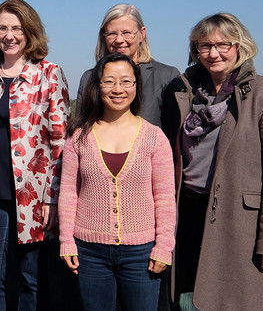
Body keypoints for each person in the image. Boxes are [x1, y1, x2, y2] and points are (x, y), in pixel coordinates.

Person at [164, 13, 263, 311]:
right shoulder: (187, 95)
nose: (213, 53)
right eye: (204, 46)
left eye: (223, 44)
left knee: (241, 302)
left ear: (240, 46)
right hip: (189, 213)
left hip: (241, 223)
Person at [0, 0, 70, 310]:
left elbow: (60, 141)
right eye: (2, 28)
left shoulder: (49, 74)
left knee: (28, 280)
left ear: (29, 32)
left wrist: (53, 197)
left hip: (33, 197)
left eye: (17, 28)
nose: (9, 35)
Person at [58, 53, 176, 311]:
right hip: (89, 253)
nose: (118, 89)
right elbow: (68, 192)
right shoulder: (79, 137)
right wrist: (66, 240)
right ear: (97, 86)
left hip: (141, 253)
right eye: (109, 81)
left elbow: (165, 196)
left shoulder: (154, 138)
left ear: (136, 85)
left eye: (126, 81)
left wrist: (164, 246)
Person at [78, 4, 179, 128]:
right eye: (112, 33)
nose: (119, 40)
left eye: (126, 33)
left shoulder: (167, 76)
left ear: (142, 34)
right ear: (104, 36)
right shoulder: (89, 78)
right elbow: (81, 127)